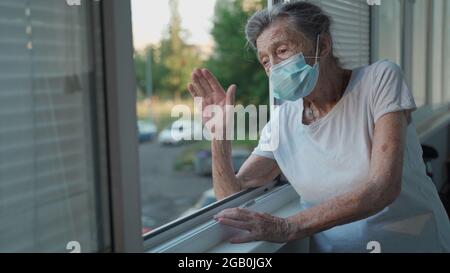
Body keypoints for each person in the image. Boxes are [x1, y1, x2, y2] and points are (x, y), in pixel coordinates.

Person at [187, 1, 450, 252]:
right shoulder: (282, 120)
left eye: (281, 51)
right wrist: (219, 137)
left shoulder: (379, 79)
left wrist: (287, 226)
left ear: (322, 45)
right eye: (266, 60)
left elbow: (382, 189)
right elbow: (231, 198)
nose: (274, 68)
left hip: (413, 245)